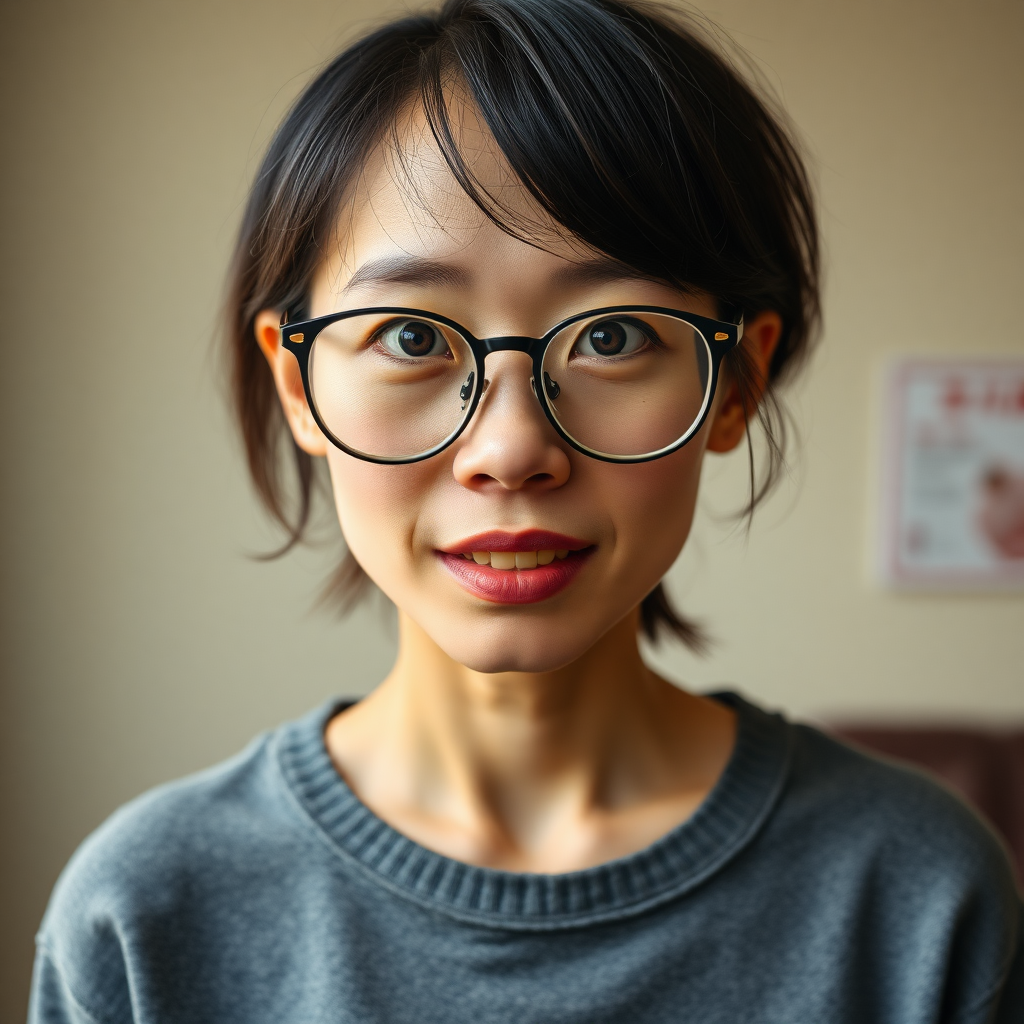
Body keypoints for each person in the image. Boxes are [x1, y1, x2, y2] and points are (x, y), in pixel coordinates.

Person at [29, 1, 1022, 1021]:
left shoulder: (917, 895)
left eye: (612, 335)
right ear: (298, 387)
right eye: (412, 338)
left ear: (735, 383)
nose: (509, 452)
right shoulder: (144, 914)